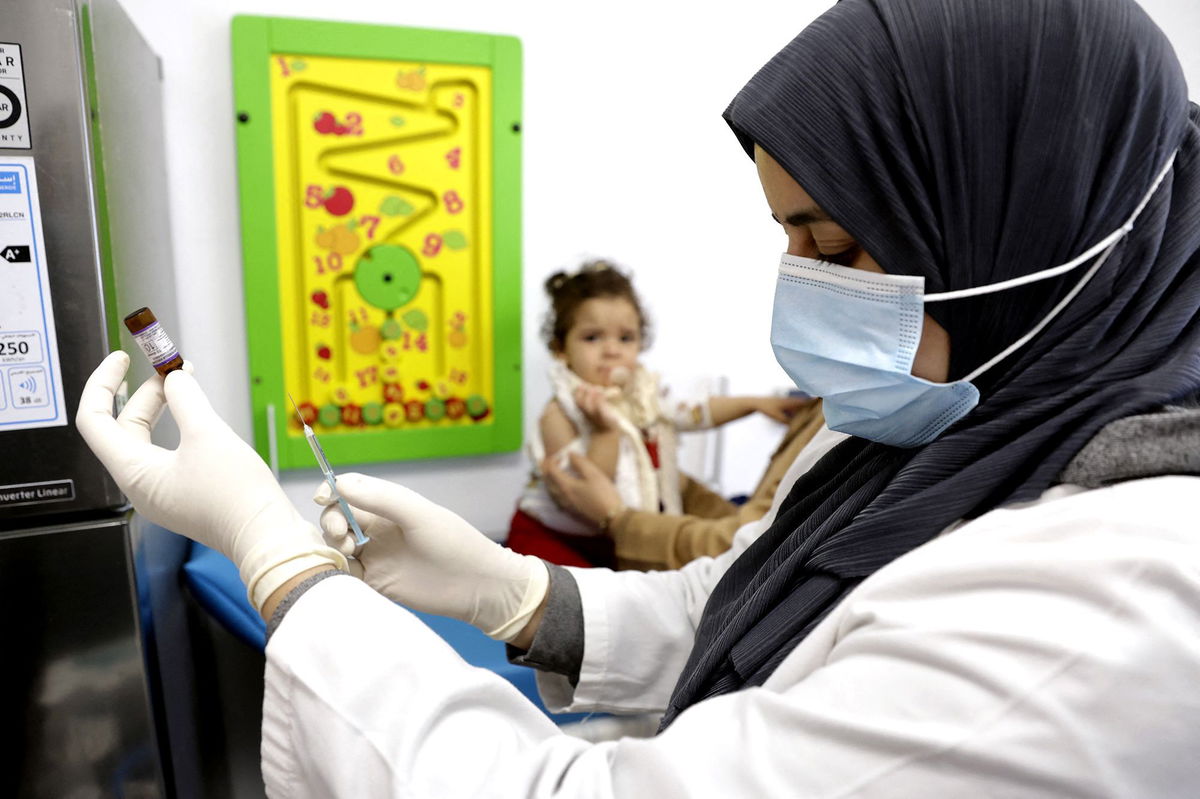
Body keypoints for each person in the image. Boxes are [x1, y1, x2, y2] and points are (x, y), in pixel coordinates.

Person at [75, 0, 1200, 794]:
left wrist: (278, 561)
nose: (796, 289)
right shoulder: (948, 415)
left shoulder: (1116, 597)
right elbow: (756, 593)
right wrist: (517, 593)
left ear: (1036, 232)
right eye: (787, 238)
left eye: (839, 246)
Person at [509, 259, 810, 568]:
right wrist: (605, 431)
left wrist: (753, 403)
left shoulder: (644, 395)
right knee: (568, 599)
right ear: (561, 348)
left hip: (611, 535)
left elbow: (694, 412)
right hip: (553, 536)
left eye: (625, 338)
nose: (612, 350)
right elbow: (583, 492)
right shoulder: (560, 413)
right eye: (592, 337)